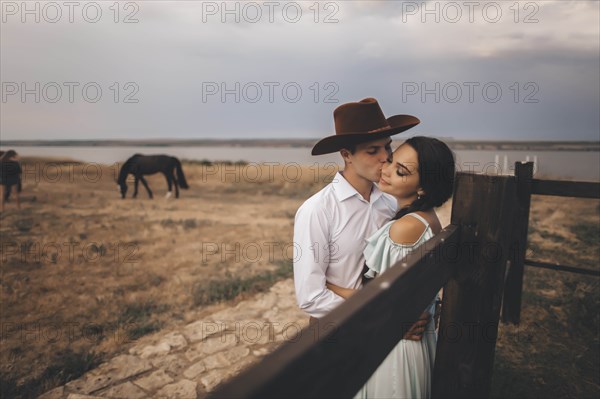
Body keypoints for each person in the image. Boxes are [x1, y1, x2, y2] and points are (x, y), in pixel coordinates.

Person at [329, 136, 455, 398]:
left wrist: (330, 285)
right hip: (414, 339)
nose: (385, 170)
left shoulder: (404, 228)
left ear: (423, 187)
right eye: (391, 160)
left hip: (397, 346)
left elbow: (378, 298)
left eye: (401, 171)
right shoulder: (427, 218)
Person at [293, 98, 421, 322]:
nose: (385, 157)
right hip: (339, 333)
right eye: (372, 151)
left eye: (387, 146)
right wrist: (383, 317)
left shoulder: (391, 203)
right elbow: (311, 297)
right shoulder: (317, 210)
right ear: (346, 155)